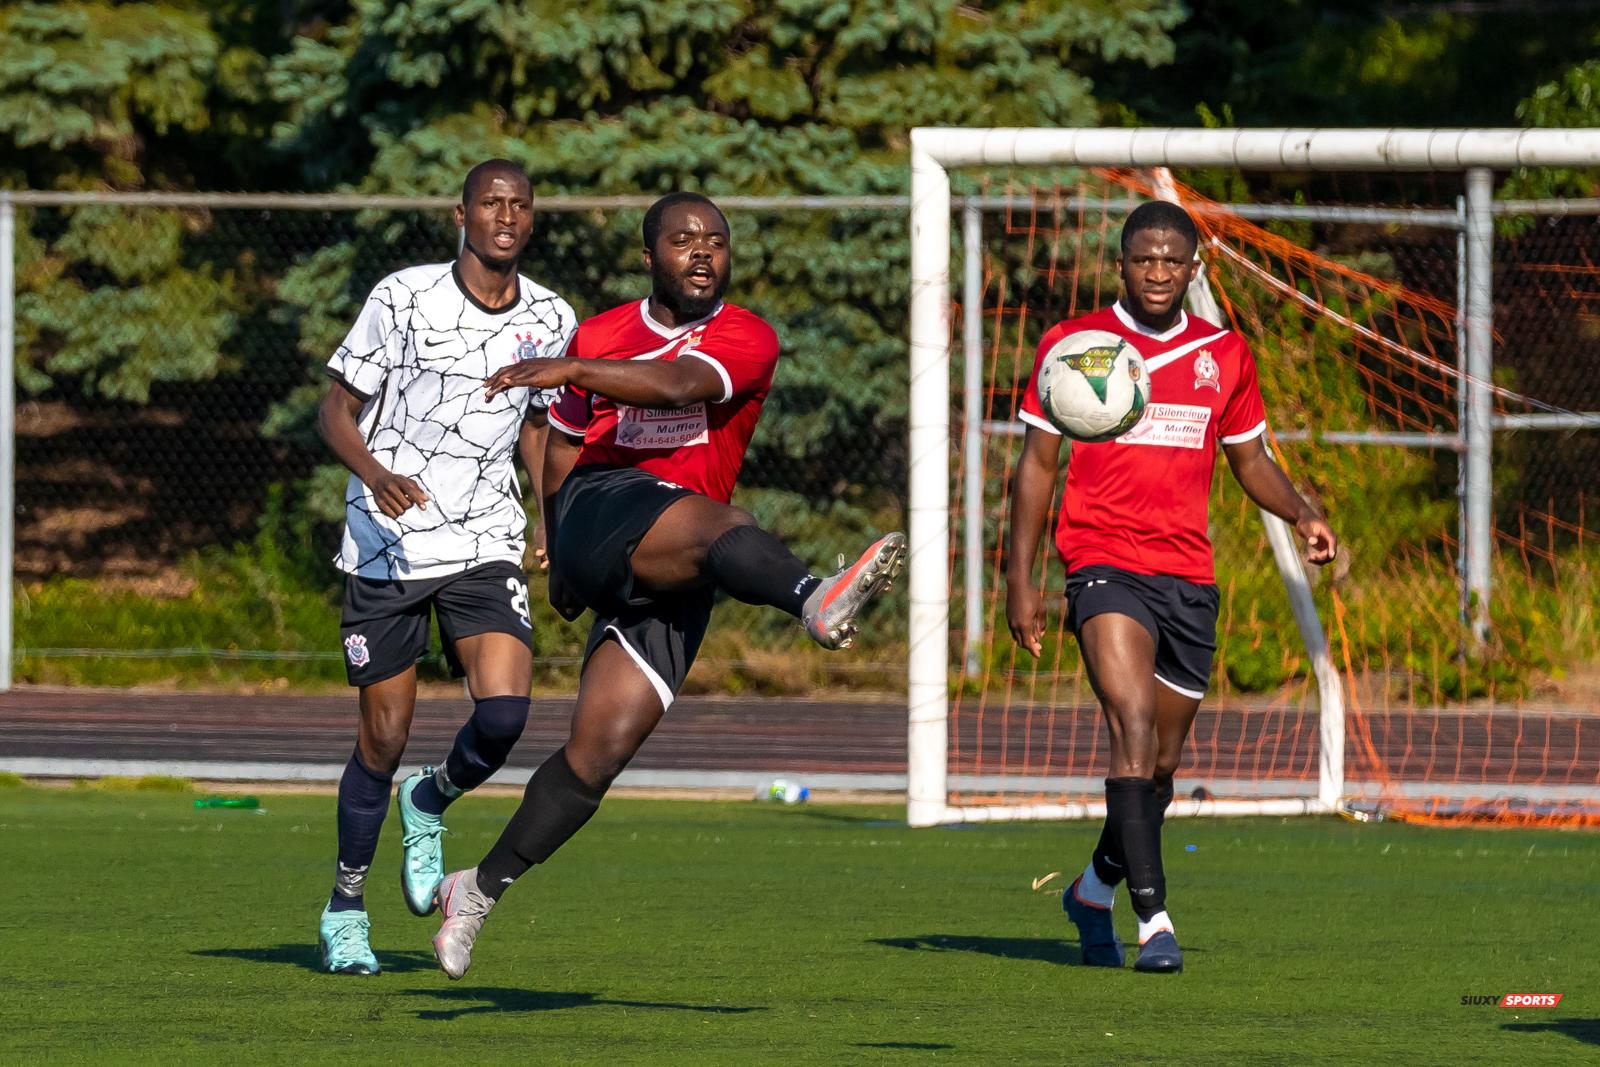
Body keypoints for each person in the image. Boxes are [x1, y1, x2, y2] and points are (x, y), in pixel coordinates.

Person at [424, 191, 905, 979]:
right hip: (598, 510)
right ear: (650, 257)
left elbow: (682, 386)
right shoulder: (606, 330)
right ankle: (814, 595)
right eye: (683, 240)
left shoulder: (746, 336)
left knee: (597, 752)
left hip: (679, 557)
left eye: (715, 240)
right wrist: (553, 541)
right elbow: (564, 450)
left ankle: (476, 889)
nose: (702, 253)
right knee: (722, 520)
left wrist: (575, 366)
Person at [1005, 201, 1337, 974]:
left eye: (1172, 261)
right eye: (1144, 259)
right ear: (1120, 265)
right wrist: (1020, 580)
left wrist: (1303, 511)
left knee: (1159, 764)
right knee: (1128, 722)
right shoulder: (1075, 346)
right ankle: (1153, 918)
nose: (1158, 273)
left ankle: (1091, 891)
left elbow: (1250, 460)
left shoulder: (1223, 351)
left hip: (1187, 574)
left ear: (1195, 269)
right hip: (1100, 560)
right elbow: (1036, 468)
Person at [314, 159, 578, 975]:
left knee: (504, 716)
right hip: (389, 541)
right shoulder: (403, 296)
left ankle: (430, 800)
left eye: (520, 205)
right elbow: (335, 407)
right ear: (459, 214)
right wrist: (374, 473)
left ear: (531, 220)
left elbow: (539, 424)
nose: (506, 215)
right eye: (491, 202)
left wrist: (545, 513)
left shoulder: (551, 316)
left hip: (482, 540)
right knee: (383, 737)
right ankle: (346, 907)